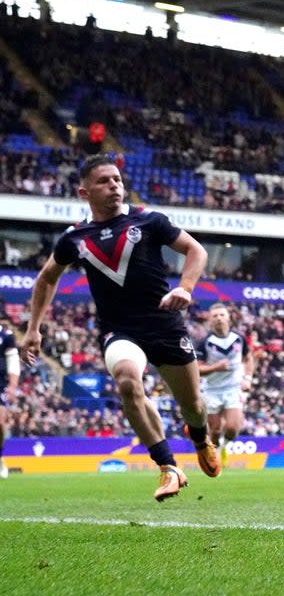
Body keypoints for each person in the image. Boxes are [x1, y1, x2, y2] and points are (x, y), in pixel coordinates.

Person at [19, 155, 220, 500]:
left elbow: (195, 250)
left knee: (193, 406)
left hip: (165, 324)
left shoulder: (149, 220)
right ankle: (168, 467)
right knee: (128, 381)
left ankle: (200, 437)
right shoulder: (75, 238)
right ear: (84, 192)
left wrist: (185, 288)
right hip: (120, 330)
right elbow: (46, 279)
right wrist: (33, 328)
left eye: (117, 179)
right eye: (104, 181)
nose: (114, 185)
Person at [196, 303, 255, 467]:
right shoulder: (204, 343)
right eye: (215, 316)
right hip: (211, 390)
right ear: (210, 320)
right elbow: (197, 369)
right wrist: (216, 367)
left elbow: (249, 358)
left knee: (232, 428)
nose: (219, 318)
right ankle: (214, 453)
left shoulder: (239, 338)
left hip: (232, 388)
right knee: (215, 429)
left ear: (229, 318)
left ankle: (224, 446)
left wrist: (247, 378)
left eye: (222, 315)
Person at [1, 321, 19, 479]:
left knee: (0, 423)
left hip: (0, 385)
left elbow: (13, 362)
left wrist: (12, 386)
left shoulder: (5, 335)